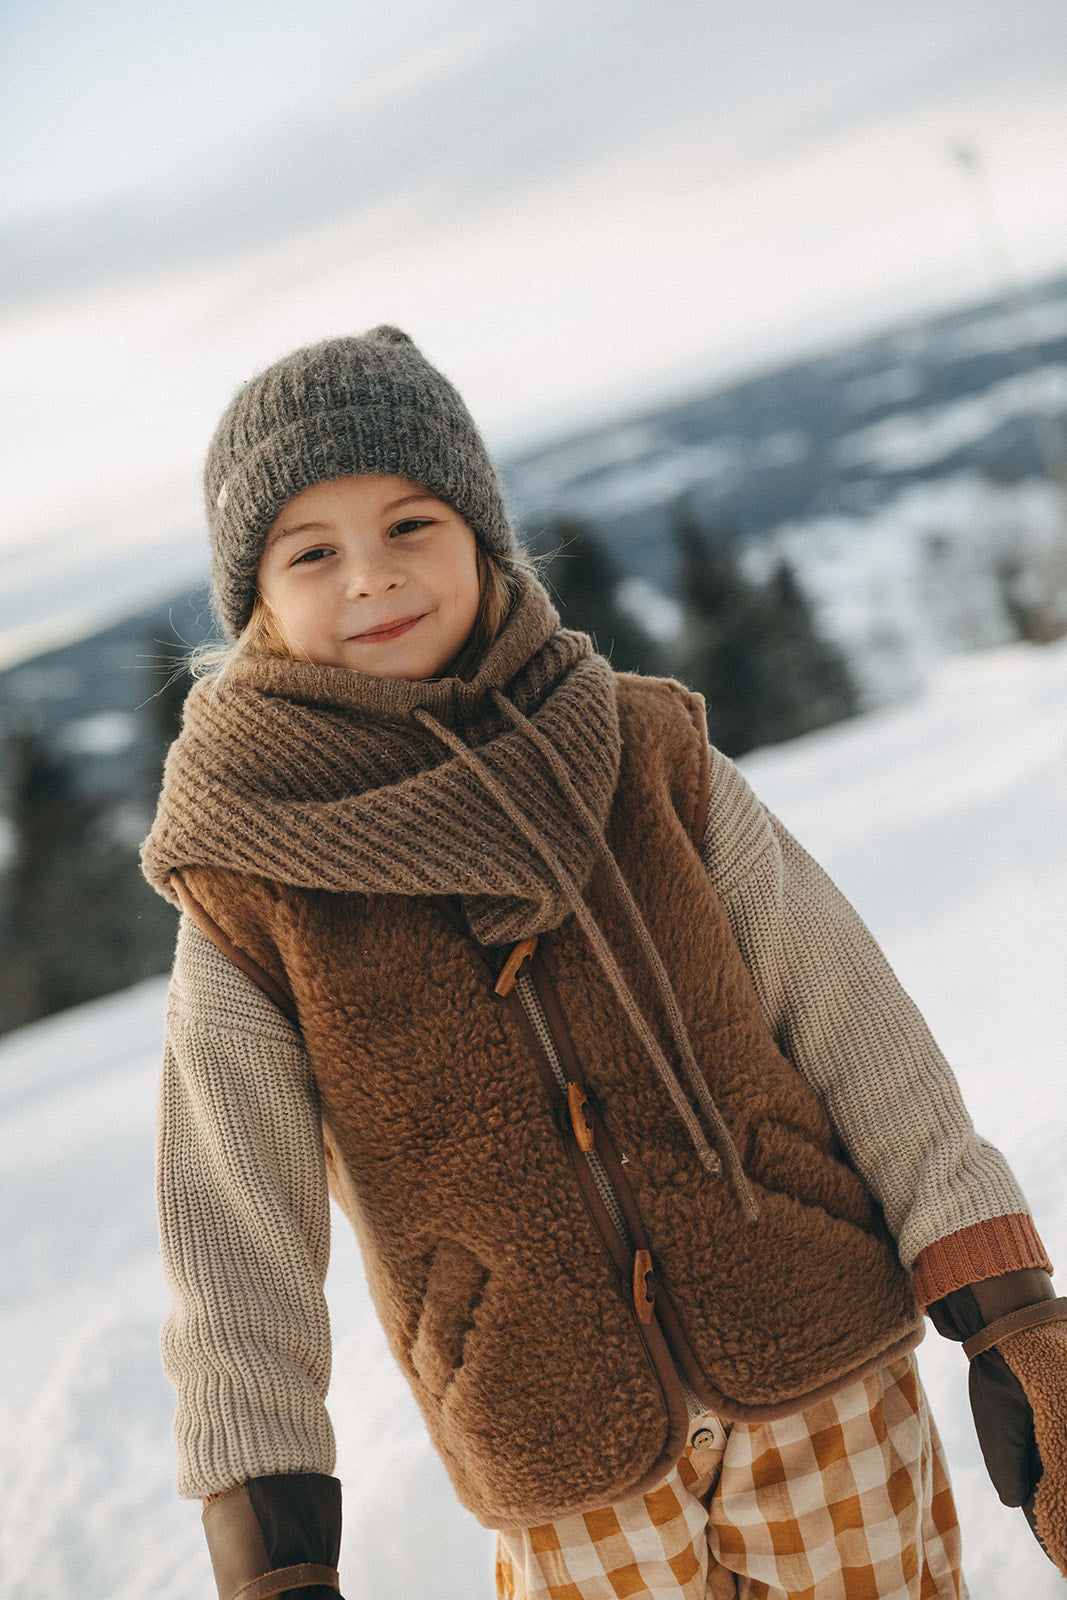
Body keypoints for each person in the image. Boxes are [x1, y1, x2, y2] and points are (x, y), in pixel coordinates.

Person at [139, 325, 1067, 1600]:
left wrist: (1005, 1305)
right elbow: (230, 1230)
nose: (372, 576)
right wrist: (271, 1552)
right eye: (313, 551)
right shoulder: (252, 886)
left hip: (823, 1383)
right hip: (562, 1460)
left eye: (410, 523)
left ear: (480, 534)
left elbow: (852, 1022)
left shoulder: (644, 753)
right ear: (256, 601)